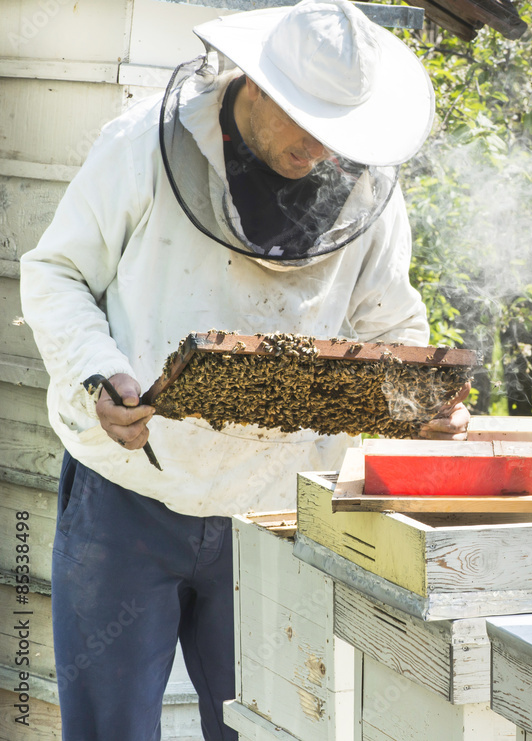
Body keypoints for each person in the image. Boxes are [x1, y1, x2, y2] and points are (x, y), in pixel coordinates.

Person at [19, 1, 468, 738]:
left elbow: (391, 332)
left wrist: (420, 405)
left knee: (267, 728)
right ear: (254, 84)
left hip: (276, 510)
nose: (319, 149)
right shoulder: (144, 144)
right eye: (305, 120)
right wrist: (97, 371)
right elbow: (56, 272)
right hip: (131, 492)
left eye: (337, 129)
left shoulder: (368, 193)